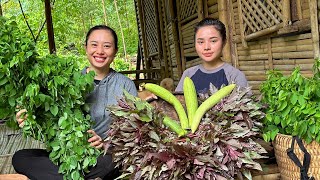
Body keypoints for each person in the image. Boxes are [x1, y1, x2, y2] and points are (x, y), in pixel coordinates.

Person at [12, 25, 138, 180]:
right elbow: (51, 128)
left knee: (114, 162)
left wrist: (105, 143)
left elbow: (133, 133)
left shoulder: (125, 85)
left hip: (102, 156)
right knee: (20, 157)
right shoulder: (67, 81)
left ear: (115, 51)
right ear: (85, 48)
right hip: (67, 155)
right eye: (94, 45)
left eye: (107, 46)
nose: (100, 51)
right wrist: (31, 123)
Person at [175, 18, 248, 93]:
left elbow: (244, 104)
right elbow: (177, 102)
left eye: (213, 41)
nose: (206, 47)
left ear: (224, 42)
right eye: (200, 42)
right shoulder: (188, 75)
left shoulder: (235, 76)